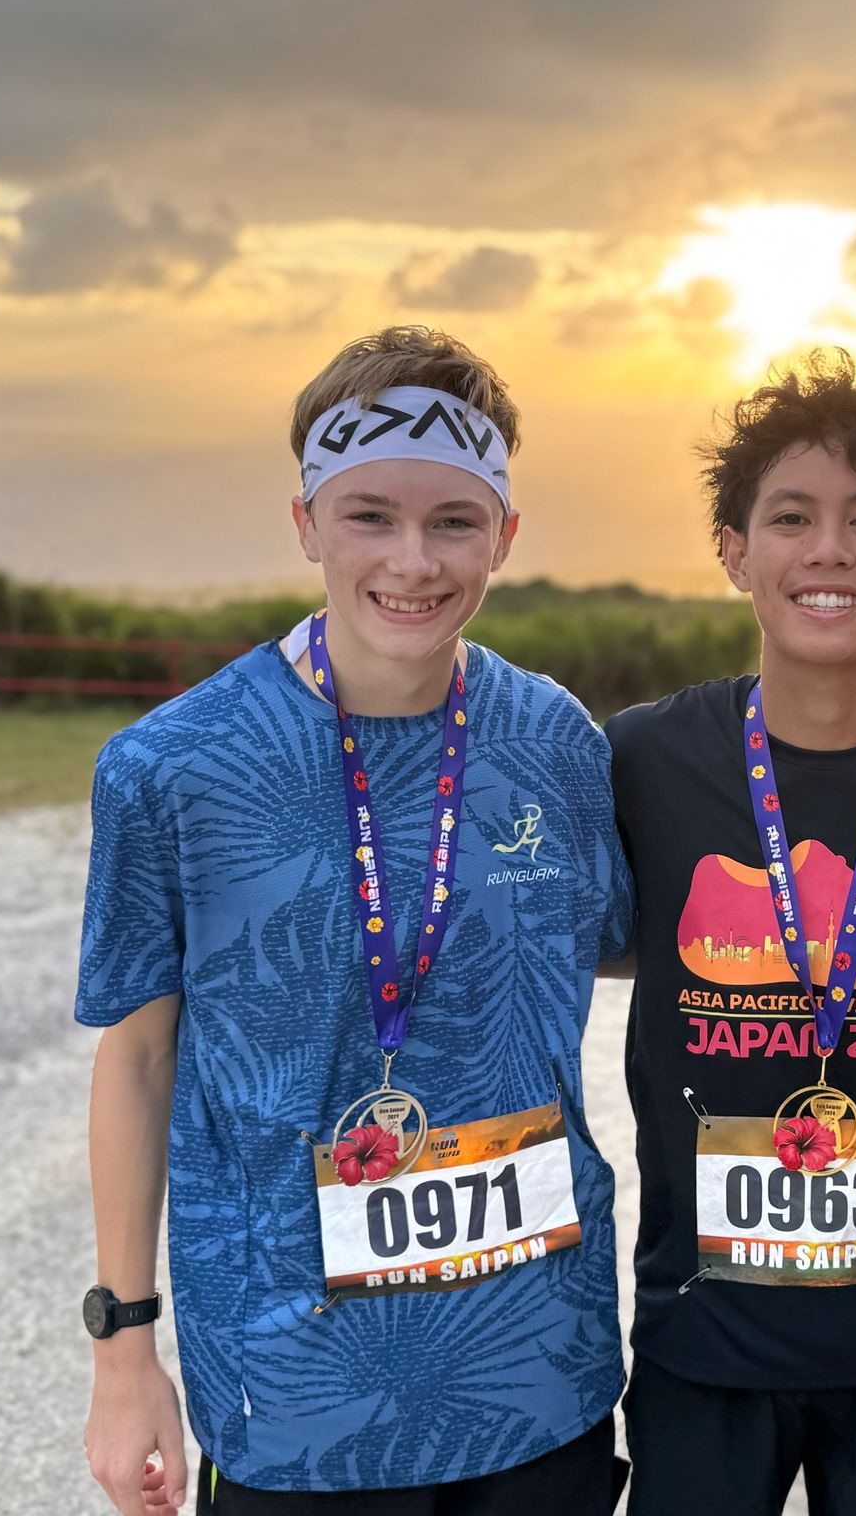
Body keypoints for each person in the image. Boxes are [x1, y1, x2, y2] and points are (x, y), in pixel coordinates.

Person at [77, 325, 632, 1515]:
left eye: (453, 521)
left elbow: (653, 950)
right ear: (306, 525)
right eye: (370, 514)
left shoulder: (557, 744)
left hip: (538, 1373)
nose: (414, 561)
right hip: (294, 1397)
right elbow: (136, 1059)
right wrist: (124, 1355)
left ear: (506, 536)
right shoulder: (173, 768)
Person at [605, 350, 856, 1515]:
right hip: (699, 1348)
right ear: (734, 551)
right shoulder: (639, 763)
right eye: (791, 517)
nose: (830, 550)